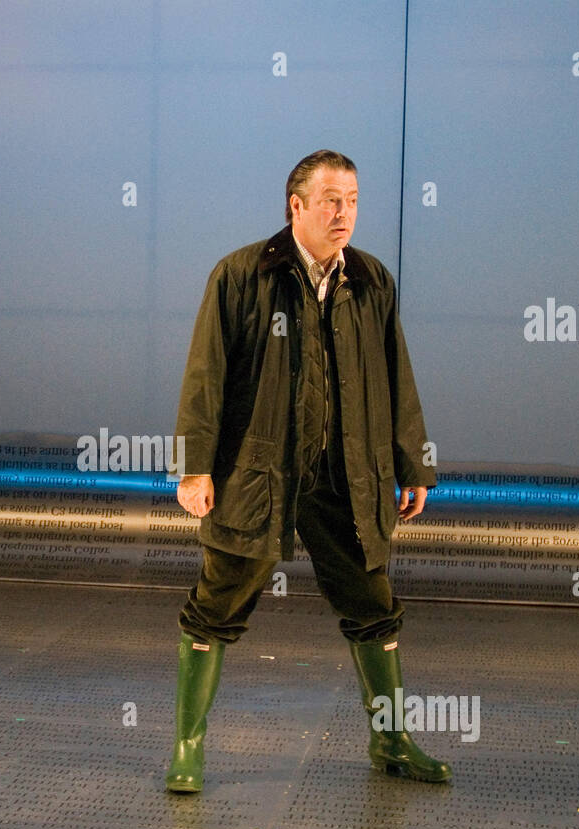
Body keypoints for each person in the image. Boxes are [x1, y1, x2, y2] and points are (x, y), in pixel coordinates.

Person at [166, 149, 448, 793]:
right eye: (330, 199)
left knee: (373, 605)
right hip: (259, 473)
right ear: (296, 206)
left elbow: (396, 377)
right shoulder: (241, 276)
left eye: (351, 199)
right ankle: (187, 749)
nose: (343, 212)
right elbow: (205, 376)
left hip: (347, 476)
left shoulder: (371, 280)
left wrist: (415, 466)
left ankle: (393, 742)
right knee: (217, 603)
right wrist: (194, 468)